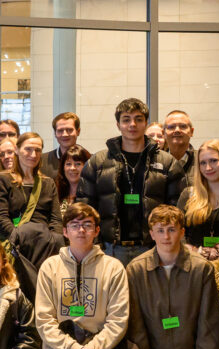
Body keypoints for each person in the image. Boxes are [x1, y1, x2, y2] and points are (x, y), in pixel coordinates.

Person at [125, 205, 219, 349]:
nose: (166, 236)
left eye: (171, 229)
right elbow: (136, 324)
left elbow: (210, 323)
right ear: (151, 233)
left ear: (182, 231)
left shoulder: (202, 269)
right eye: (160, 230)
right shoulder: (136, 270)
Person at [35, 203, 130, 349]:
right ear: (65, 231)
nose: (81, 230)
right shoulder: (50, 267)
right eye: (75, 225)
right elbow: (44, 321)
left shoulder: (114, 268)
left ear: (97, 230)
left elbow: (118, 321)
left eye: (87, 225)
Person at [78, 98, 185, 265]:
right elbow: (86, 206)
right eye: (126, 119)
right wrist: (95, 243)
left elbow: (177, 208)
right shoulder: (98, 162)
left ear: (146, 123)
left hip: (152, 247)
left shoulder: (167, 162)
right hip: (109, 248)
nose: (132, 124)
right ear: (118, 124)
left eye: (138, 119)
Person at [0, 131, 59, 239]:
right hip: (16, 242)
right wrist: (18, 239)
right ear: (17, 150)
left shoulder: (48, 183)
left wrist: (53, 241)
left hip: (45, 243)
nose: (33, 155)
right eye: (28, 149)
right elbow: (1, 217)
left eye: (38, 150)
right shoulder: (2, 179)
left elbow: (56, 219)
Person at [54, 144, 90, 222]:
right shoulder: (55, 193)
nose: (72, 168)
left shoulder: (92, 195)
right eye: (68, 164)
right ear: (63, 167)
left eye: (78, 164)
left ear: (87, 166)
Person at [42, 112, 81, 180]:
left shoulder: (90, 161)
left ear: (78, 131)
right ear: (55, 134)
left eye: (69, 130)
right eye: (60, 130)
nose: (64, 134)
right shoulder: (42, 161)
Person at [162, 110, 196, 179]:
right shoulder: (155, 163)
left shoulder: (202, 161)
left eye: (183, 126)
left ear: (191, 132)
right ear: (163, 133)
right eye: (171, 127)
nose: (177, 130)